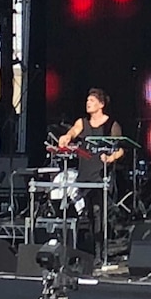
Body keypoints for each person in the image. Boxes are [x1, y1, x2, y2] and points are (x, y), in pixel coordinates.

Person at [58, 88, 125, 256]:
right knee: (87, 213)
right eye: (87, 100)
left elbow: (121, 149)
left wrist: (111, 158)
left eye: (92, 101)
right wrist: (66, 137)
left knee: (98, 211)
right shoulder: (82, 122)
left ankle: (100, 252)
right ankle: (87, 251)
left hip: (101, 176)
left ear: (101, 105)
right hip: (85, 175)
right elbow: (73, 131)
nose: (88, 103)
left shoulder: (112, 124)